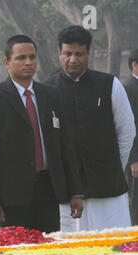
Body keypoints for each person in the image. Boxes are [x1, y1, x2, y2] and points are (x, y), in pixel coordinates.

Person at [0, 35, 84, 234]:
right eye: (21, 58)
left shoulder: (51, 95)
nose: (28, 62)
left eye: (32, 57)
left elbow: (66, 146)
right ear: (7, 62)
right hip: (10, 200)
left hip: (49, 192)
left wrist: (75, 191)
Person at [46, 26, 135, 232]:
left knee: (116, 248)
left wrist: (112, 165)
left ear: (89, 53)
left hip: (109, 189)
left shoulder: (109, 84)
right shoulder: (47, 90)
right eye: (67, 54)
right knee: (73, 254)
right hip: (68, 193)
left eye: (79, 54)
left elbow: (127, 131)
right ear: (59, 53)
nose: (73, 59)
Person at [123, 49, 138, 226]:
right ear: (134, 64)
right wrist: (133, 159)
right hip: (136, 157)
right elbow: (128, 125)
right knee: (136, 200)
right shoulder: (127, 88)